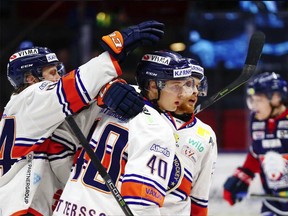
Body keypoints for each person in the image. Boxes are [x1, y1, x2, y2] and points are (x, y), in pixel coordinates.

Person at [0, 20, 164, 215]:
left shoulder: (40, 116)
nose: (58, 77)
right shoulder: (30, 98)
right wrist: (114, 50)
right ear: (30, 79)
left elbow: (79, 113)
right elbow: (70, 89)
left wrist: (106, 90)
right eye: (52, 72)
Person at [53, 50, 195, 216]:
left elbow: (60, 134)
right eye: (175, 86)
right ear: (153, 85)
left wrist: (104, 87)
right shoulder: (157, 128)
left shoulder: (111, 98)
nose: (183, 93)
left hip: (66, 209)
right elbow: (142, 204)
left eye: (185, 85)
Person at [158, 58, 217, 216]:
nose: (196, 92)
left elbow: (199, 197)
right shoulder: (147, 117)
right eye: (189, 85)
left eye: (198, 86)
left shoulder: (206, 134)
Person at [223, 72, 288, 216]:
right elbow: (256, 152)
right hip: (273, 204)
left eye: (258, 100)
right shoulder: (257, 119)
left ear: (276, 98)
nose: (254, 105)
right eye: (252, 100)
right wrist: (242, 177)